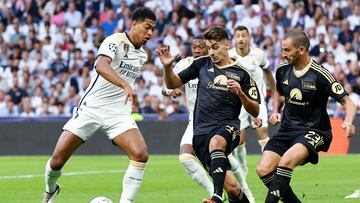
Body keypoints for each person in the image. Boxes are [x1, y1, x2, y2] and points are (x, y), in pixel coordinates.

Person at [42, 7, 156, 203]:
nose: (150, 33)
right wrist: (125, 85)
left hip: (118, 113)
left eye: (153, 29)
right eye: (147, 27)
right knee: (57, 160)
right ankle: (50, 189)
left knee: (140, 154)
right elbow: (100, 66)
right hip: (91, 108)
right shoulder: (115, 41)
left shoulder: (143, 55)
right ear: (134, 23)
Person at [157, 26, 260, 203]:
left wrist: (241, 94)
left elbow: (255, 110)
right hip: (200, 133)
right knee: (234, 189)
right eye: (209, 47)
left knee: (217, 142)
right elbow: (173, 83)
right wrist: (167, 68)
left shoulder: (242, 73)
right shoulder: (201, 64)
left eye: (215, 47)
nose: (211, 52)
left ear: (227, 45)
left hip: (228, 127)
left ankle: (216, 197)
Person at [256, 30, 356, 203]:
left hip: (314, 131)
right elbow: (278, 91)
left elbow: (349, 102)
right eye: (282, 49)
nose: (283, 54)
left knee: (286, 162)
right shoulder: (282, 69)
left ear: (301, 50)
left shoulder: (320, 74)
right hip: (287, 128)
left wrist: (348, 121)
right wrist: (275, 111)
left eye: (287, 50)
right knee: (263, 169)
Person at [228, 25, 276, 199]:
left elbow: (268, 74)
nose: (241, 39)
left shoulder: (259, 55)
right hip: (239, 102)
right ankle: (243, 172)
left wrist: (276, 92)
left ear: (249, 38)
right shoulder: (230, 56)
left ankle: (269, 168)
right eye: (237, 36)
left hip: (258, 100)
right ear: (234, 38)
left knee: (262, 132)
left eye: (244, 36)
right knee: (240, 140)